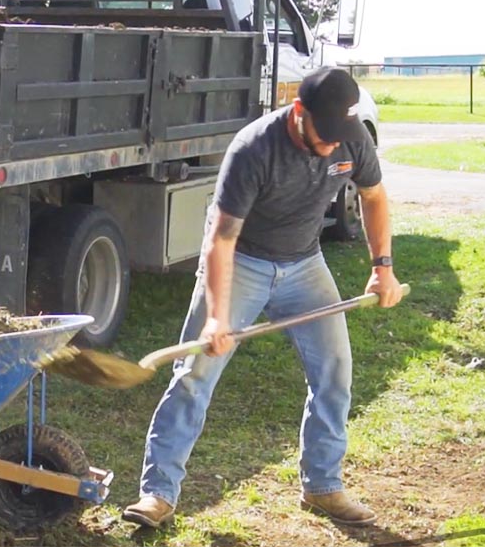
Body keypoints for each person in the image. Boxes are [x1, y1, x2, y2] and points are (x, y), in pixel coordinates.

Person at [122, 67, 405, 528]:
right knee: (194, 375)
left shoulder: (350, 138)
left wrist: (383, 268)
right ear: (299, 112)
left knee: (335, 373)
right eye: (324, 135)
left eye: (340, 135)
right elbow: (221, 240)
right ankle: (158, 495)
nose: (332, 145)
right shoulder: (254, 148)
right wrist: (216, 317)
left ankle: (323, 485)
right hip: (243, 263)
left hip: (305, 264)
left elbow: (373, 197)